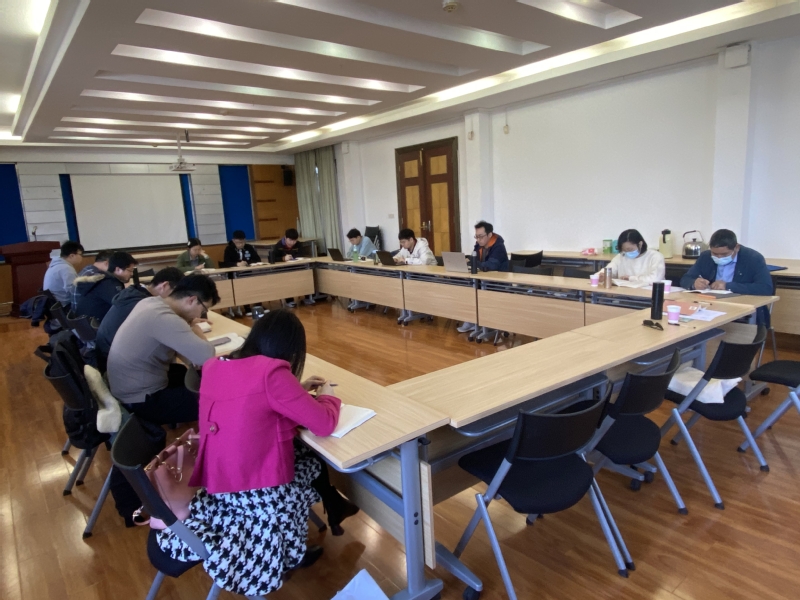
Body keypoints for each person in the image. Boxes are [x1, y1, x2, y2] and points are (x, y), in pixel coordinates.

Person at [157, 310, 359, 596]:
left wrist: (296, 391)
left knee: (306, 457)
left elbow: (250, 402)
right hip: (259, 490)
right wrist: (327, 395)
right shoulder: (272, 373)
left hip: (219, 480)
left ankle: (333, 510)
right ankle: (300, 541)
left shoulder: (214, 365)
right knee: (311, 462)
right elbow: (324, 424)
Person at [107, 274, 219, 425]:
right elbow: (206, 356)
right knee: (217, 399)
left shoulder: (150, 302)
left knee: (186, 373)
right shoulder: (164, 317)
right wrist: (195, 328)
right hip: (141, 400)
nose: (200, 315)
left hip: (127, 386)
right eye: (204, 309)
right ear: (192, 300)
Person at [95, 267, 184, 367]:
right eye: (176, 294)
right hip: (116, 364)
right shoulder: (144, 304)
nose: (177, 299)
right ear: (165, 286)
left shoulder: (135, 293)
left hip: (108, 357)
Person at [681, 228, 773, 324]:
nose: (719, 257)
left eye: (724, 254)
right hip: (710, 306)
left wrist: (727, 286)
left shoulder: (753, 258)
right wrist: (694, 283)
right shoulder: (706, 257)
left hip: (742, 309)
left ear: (736, 248)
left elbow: (765, 288)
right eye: (715, 254)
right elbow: (685, 279)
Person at [458, 221, 509, 334]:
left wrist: (473, 262)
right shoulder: (479, 245)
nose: (478, 240)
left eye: (481, 236)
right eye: (476, 236)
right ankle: (473, 319)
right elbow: (475, 259)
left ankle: (481, 321)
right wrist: (467, 260)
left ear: (490, 235)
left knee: (474, 289)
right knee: (465, 287)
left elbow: (491, 266)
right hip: (484, 280)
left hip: (498, 283)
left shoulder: (498, 247)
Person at [73, 251, 137, 322]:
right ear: (118, 269)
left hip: (86, 324)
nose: (132, 274)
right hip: (92, 326)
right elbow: (124, 305)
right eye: (130, 270)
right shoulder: (108, 283)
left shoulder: (104, 279)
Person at [594, 229, 666, 284]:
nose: (627, 252)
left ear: (640, 244)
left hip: (649, 295)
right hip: (625, 295)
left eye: (630, 249)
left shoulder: (655, 256)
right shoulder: (621, 256)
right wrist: (600, 275)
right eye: (624, 250)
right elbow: (609, 269)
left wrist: (630, 278)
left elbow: (655, 279)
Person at [274, 229, 311, 307]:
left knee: (307, 274)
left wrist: (294, 257)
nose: (292, 243)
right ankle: (289, 300)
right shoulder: (279, 245)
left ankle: (308, 297)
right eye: (290, 240)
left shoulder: (298, 244)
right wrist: (283, 258)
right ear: (285, 238)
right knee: (287, 279)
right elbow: (273, 258)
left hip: (297, 267)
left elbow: (302, 254)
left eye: (295, 240)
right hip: (284, 269)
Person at [43, 241, 83, 305]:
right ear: (72, 256)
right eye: (81, 254)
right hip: (65, 305)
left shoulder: (56, 265)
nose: (82, 257)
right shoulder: (66, 268)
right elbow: (74, 291)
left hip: (55, 304)